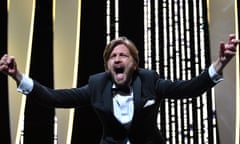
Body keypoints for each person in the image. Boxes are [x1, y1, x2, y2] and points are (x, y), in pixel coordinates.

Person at [0, 34, 239, 144]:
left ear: (134, 63)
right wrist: (17, 76)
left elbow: (189, 89)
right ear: (107, 65)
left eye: (123, 55)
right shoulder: (97, 84)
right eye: (112, 56)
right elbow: (54, 98)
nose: (117, 59)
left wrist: (220, 64)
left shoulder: (149, 81)